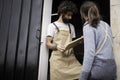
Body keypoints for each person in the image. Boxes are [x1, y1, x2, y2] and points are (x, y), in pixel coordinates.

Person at [79, 1, 116, 80]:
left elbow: (89, 54)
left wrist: (83, 77)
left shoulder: (88, 26)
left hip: (98, 70)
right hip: (112, 69)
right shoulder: (106, 25)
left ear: (83, 14)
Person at [46, 0, 82, 80]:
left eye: (71, 15)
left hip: (71, 60)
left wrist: (79, 41)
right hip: (57, 61)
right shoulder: (52, 26)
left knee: (83, 73)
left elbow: (72, 43)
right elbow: (48, 43)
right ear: (62, 12)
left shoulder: (71, 27)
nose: (70, 17)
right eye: (68, 15)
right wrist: (56, 46)